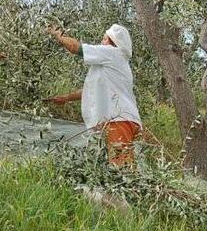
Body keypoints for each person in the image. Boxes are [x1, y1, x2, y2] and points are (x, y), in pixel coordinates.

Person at [46, 24, 142, 167]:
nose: (101, 43)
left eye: (105, 39)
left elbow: (76, 48)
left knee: (122, 169)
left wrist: (58, 37)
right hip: (122, 119)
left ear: (113, 42)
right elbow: (91, 89)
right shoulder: (115, 62)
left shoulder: (112, 53)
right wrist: (66, 98)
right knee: (122, 166)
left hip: (119, 120)